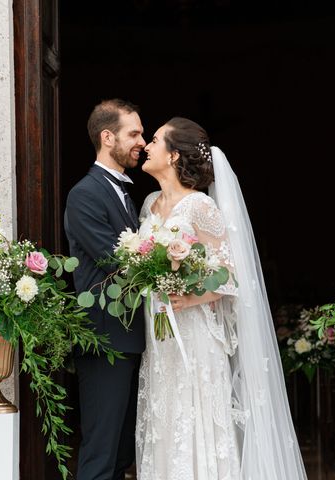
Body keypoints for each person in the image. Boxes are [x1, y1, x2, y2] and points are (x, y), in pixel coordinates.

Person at [136, 117, 308, 479]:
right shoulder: (150, 204)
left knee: (195, 417)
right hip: (160, 335)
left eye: (154, 140)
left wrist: (191, 297)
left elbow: (231, 276)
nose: (146, 146)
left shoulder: (201, 207)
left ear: (172, 155)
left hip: (196, 335)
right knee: (164, 419)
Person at [64, 99, 146, 480]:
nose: (141, 142)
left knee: (120, 455)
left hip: (129, 340)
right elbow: (115, 261)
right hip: (104, 341)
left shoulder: (124, 192)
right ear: (107, 136)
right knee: (100, 454)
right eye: (134, 133)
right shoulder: (85, 194)